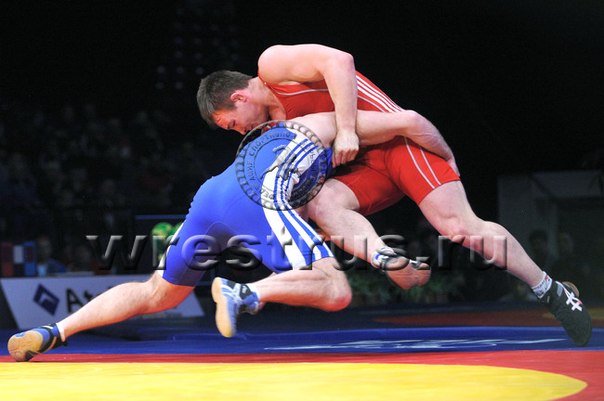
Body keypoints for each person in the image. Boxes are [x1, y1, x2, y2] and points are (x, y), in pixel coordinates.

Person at [196, 43, 592, 346]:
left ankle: (551, 290)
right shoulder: (273, 130)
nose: (238, 132)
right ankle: (387, 259)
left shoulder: (271, 66)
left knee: (458, 226)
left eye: (231, 124)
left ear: (239, 97)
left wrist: (348, 129)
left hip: (398, 141)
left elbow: (340, 61)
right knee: (322, 203)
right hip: (363, 166)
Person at [7, 110, 429, 361]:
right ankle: (244, 292)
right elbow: (408, 121)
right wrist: (446, 164)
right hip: (257, 198)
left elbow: (308, 223)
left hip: (215, 195)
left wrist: (384, 259)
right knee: (335, 289)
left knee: (158, 292)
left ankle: (54, 331)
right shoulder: (333, 122)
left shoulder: (289, 140)